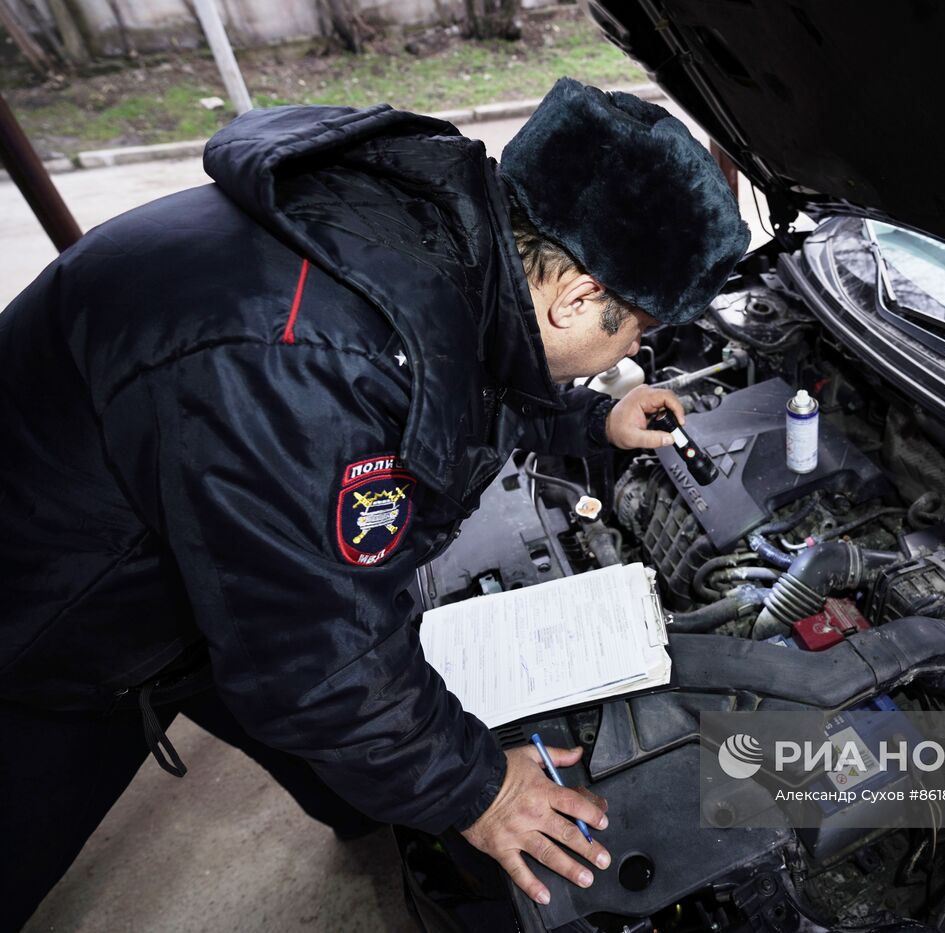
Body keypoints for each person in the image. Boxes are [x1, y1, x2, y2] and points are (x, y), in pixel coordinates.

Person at [0, 76, 749, 927]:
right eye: (635, 331)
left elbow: (470, 370)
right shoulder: (305, 363)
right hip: (50, 618)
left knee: (359, 767)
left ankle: (371, 810)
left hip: (179, 558)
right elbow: (317, 660)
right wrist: (481, 787)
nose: (634, 349)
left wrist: (591, 416)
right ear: (576, 295)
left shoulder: (442, 234)